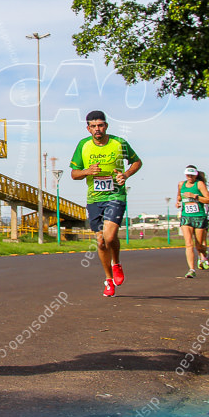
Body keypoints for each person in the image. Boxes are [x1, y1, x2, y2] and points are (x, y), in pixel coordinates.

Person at [69, 110, 142, 297]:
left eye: (100, 125)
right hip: (94, 199)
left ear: (106, 126)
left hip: (115, 196)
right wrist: (87, 171)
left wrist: (125, 175)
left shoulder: (119, 143)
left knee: (110, 237)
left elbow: (136, 162)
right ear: (88, 129)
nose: (97, 129)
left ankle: (116, 263)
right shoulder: (83, 146)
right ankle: (108, 280)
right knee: (101, 242)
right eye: (93, 126)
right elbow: (74, 174)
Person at [176, 166, 209, 277]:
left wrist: (195, 196)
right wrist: (178, 202)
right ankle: (191, 270)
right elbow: (179, 196)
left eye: (192, 175)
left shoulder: (199, 185)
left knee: (199, 245)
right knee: (189, 244)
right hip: (186, 217)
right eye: (188, 175)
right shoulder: (181, 184)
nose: (190, 177)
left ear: (196, 175)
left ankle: (204, 254)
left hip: (199, 216)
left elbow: (208, 199)